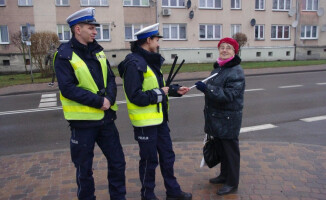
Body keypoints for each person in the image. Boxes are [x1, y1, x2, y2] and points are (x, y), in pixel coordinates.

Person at [54, 7, 126, 200]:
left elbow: (111, 78)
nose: (95, 31)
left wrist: (109, 99)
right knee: (84, 171)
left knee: (118, 162)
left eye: (95, 27)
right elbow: (68, 88)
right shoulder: (64, 54)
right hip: (83, 124)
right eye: (90, 27)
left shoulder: (98, 50)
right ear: (78, 29)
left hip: (106, 120)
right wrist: (99, 101)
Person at [118, 23, 192, 200]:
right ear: (148, 40)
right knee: (149, 161)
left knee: (168, 157)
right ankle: (147, 195)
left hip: (160, 120)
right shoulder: (133, 64)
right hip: (145, 123)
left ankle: (173, 191)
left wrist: (174, 90)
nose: (158, 44)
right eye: (157, 40)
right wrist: (160, 93)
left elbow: (158, 87)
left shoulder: (149, 61)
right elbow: (135, 95)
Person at [195, 37, 245, 195]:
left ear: (234, 52)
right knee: (222, 150)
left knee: (230, 152)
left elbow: (229, 95)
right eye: (222, 47)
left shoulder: (236, 71)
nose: (224, 50)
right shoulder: (219, 68)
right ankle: (224, 175)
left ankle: (232, 182)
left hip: (229, 119)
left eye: (228, 48)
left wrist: (207, 89)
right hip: (218, 118)